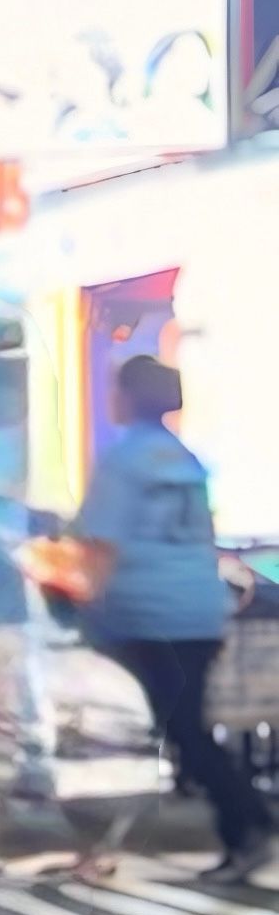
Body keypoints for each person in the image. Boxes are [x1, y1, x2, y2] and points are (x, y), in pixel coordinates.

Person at [68, 359, 275, 883]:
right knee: (182, 725)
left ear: (128, 397)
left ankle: (248, 826)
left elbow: (101, 546)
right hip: (198, 611)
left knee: (177, 728)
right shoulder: (186, 459)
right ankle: (245, 823)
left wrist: (85, 603)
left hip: (148, 613)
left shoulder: (123, 461)